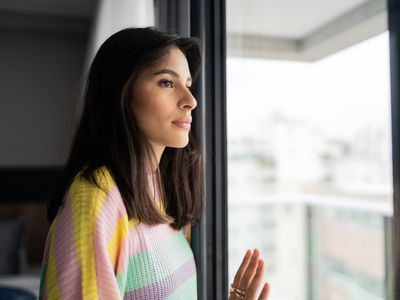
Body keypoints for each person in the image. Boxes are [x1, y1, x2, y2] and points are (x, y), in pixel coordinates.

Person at [39, 27, 270, 300]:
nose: (191, 101)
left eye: (188, 84)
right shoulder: (96, 199)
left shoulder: (161, 189)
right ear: (121, 92)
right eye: (167, 83)